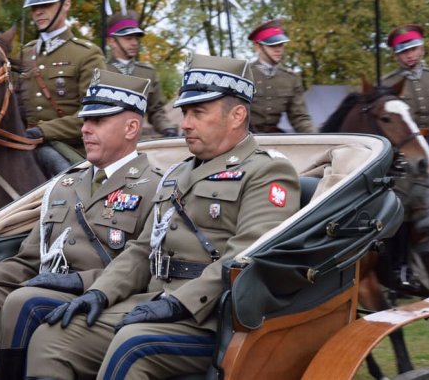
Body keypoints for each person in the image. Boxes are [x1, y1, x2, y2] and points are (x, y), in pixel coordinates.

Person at [26, 53, 301, 379]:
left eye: (199, 112)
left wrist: (177, 304)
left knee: (132, 344)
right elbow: (143, 250)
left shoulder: (267, 170)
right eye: (185, 112)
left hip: (212, 317)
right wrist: (99, 292)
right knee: (51, 337)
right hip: (152, 301)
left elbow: (245, 257)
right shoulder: (177, 174)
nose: (184, 123)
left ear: (237, 115)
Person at [0, 69, 162, 378]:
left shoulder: (156, 187)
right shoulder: (63, 185)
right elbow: (26, 264)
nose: (85, 130)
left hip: (98, 303)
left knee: (25, 301)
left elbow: (146, 269)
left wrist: (81, 281)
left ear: (132, 127)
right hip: (35, 293)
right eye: (85, 120)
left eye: (98, 121)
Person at [17, 0, 107, 176]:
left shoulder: (87, 54)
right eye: (34, 7)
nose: (38, 12)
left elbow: (93, 115)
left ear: (66, 4)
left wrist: (43, 132)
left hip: (70, 151)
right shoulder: (24, 54)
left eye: (45, 5)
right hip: (23, 149)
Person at [382, 24, 429, 287]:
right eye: (403, 52)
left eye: (413, 49)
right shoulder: (388, 84)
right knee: (401, 205)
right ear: (397, 55)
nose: (409, 55)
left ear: (422, 48)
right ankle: (402, 267)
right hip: (409, 156)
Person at [105, 11, 178, 138]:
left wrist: (167, 129)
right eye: (128, 38)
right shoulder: (100, 70)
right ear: (112, 41)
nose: (134, 43)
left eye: (136, 38)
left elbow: (156, 111)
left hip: (138, 140)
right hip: (107, 139)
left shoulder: (148, 73)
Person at [247, 19, 315, 133]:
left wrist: (317, 139)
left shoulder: (291, 79)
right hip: (244, 138)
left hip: (275, 138)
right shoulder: (244, 74)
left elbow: (299, 118)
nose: (278, 49)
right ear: (258, 47)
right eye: (272, 45)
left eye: (281, 45)